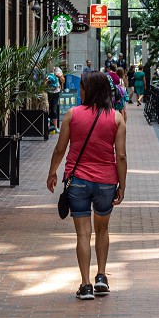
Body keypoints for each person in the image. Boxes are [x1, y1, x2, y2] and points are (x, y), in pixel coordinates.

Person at [47, 71, 128, 300]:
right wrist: (122, 185)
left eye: (82, 87)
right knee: (102, 230)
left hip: (78, 181)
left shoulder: (72, 115)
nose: (80, 91)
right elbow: (120, 155)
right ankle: (101, 276)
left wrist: (52, 172)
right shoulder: (116, 118)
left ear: (90, 90)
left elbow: (60, 148)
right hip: (106, 181)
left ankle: (85, 285)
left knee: (83, 234)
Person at [45, 64, 63, 133]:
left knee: (54, 109)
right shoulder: (45, 70)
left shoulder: (58, 70)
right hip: (47, 92)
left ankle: (55, 127)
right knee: (47, 109)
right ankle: (47, 126)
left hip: (56, 92)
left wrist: (59, 76)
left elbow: (63, 80)